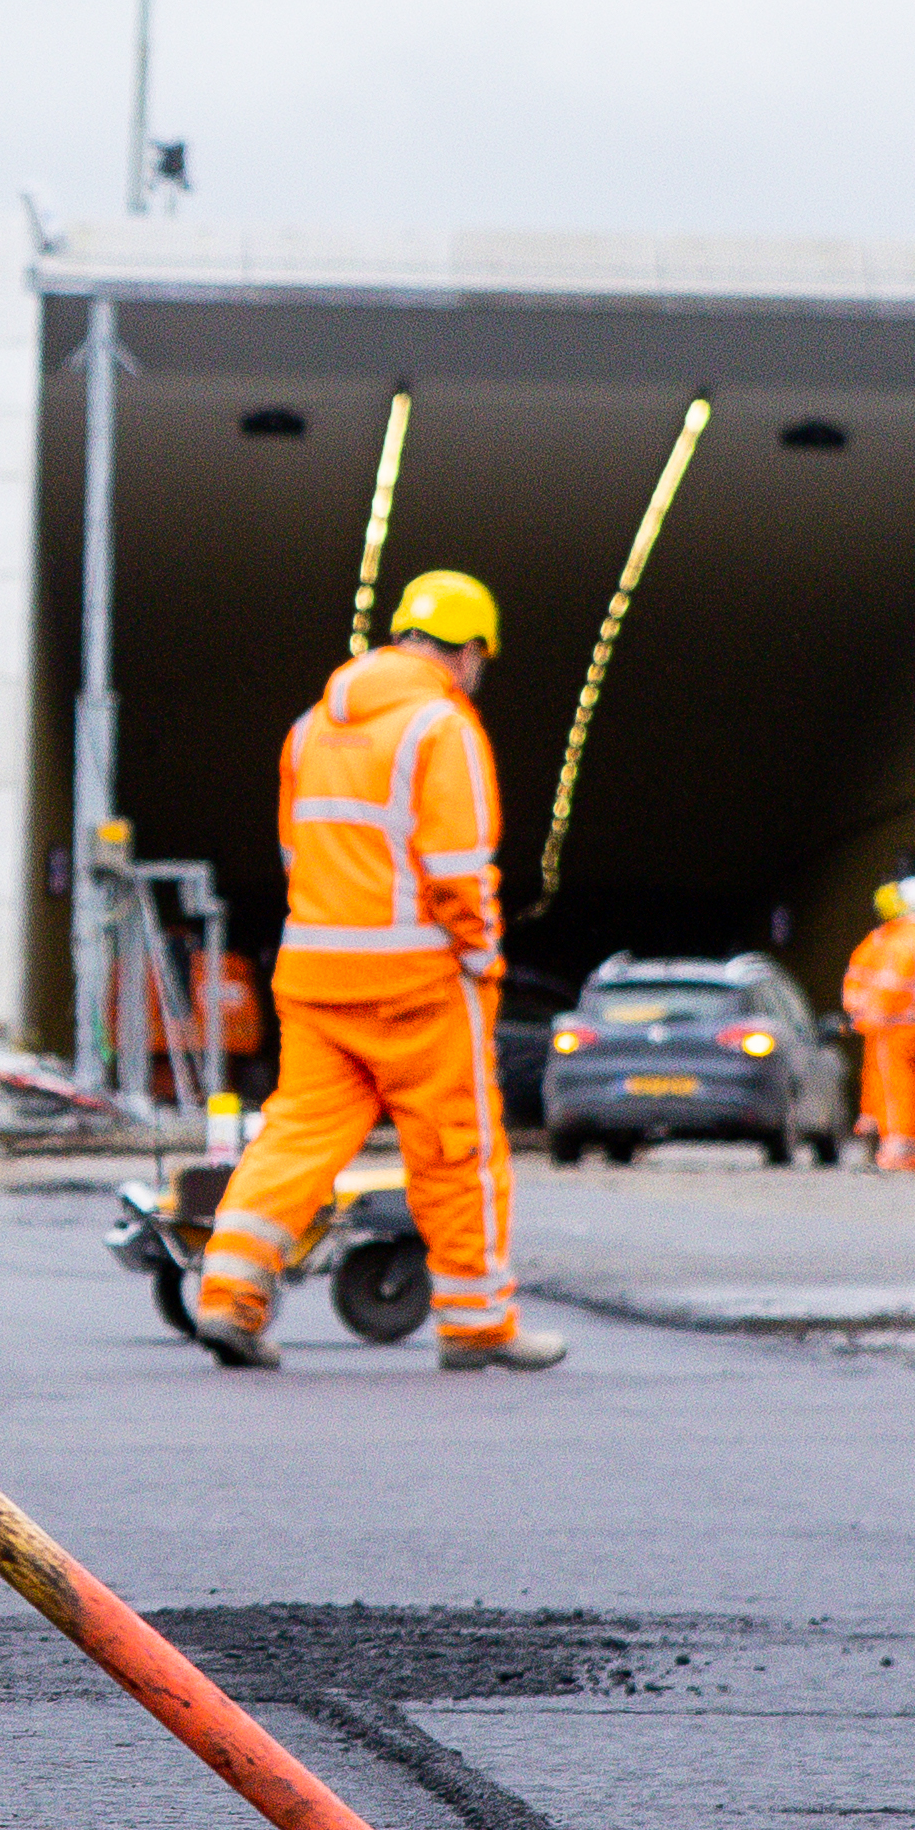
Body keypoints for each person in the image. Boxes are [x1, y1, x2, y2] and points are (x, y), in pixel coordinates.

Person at [185, 569, 566, 1373]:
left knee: (296, 1137)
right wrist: (481, 955)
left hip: (317, 975)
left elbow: (297, 855)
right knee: (457, 1149)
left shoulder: (310, 727)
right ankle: (477, 1324)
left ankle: (228, 1296)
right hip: (419, 983)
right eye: (480, 659)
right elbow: (460, 867)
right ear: (465, 652)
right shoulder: (442, 727)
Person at [844, 873, 915, 1171]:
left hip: (894, 1029)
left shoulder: (896, 943)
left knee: (897, 1091)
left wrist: (864, 1019)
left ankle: (898, 1150)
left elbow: (887, 989)